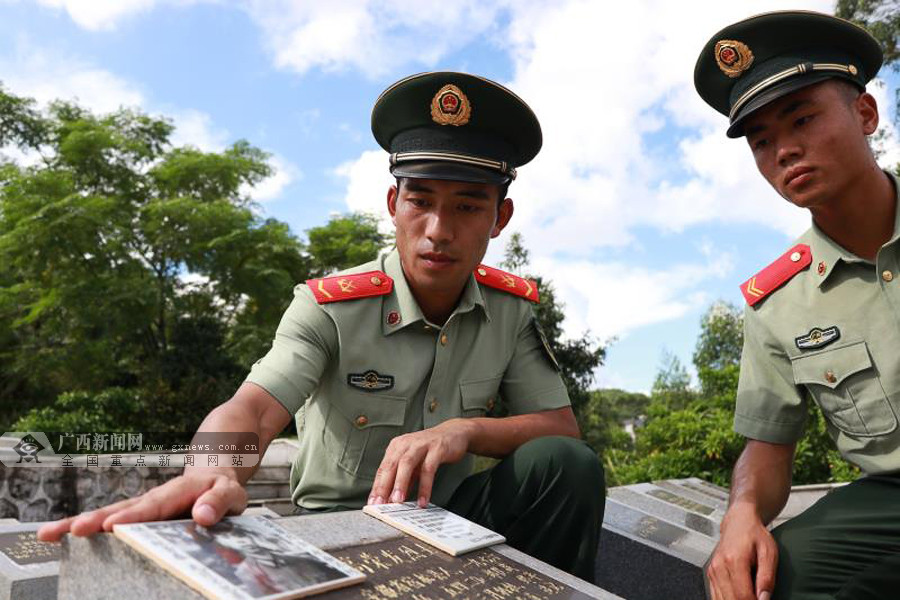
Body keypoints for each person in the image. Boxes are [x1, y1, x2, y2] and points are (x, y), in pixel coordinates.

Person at [38, 71, 605, 581]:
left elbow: (560, 427)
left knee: (566, 466)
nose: (437, 229)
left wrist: (463, 431)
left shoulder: (510, 310)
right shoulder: (331, 306)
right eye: (420, 200)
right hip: (341, 527)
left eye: (467, 206)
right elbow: (255, 409)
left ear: (500, 217)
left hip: (453, 521)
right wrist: (212, 470)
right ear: (393, 202)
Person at [694, 10, 900, 600]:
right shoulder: (778, 302)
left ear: (865, 114)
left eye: (802, 119)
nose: (784, 151)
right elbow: (769, 444)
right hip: (891, 499)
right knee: (772, 573)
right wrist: (742, 513)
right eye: (761, 141)